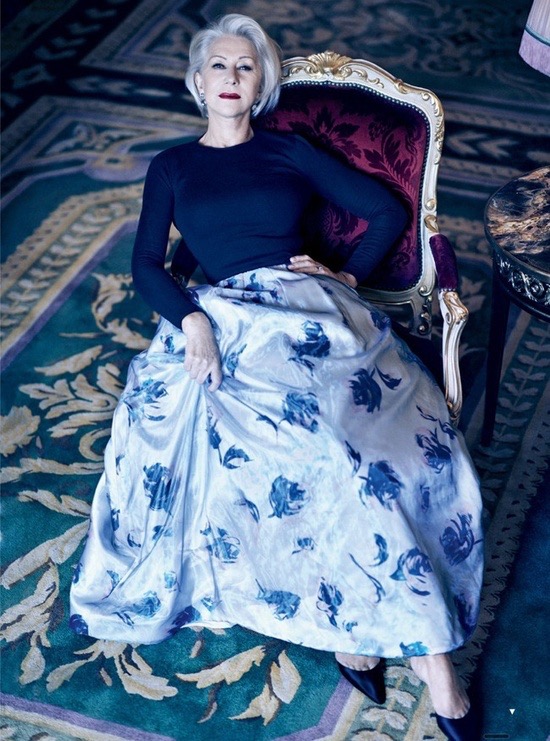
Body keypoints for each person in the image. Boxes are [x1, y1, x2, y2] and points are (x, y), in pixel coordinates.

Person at [70, 14, 483, 740]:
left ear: (259, 85)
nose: (232, 78)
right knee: (280, 455)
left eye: (246, 67)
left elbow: (385, 211)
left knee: (348, 454)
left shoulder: (287, 150)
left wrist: (346, 275)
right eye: (219, 66)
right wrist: (193, 321)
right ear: (198, 82)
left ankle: (421, 656)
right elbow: (145, 265)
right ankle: (372, 640)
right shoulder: (172, 167)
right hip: (218, 318)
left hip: (303, 312)